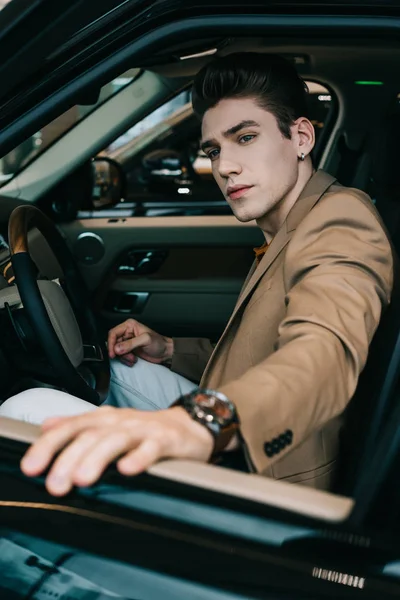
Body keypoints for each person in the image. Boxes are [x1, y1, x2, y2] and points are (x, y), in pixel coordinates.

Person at [0, 52, 393, 497]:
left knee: (23, 407)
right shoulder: (293, 220)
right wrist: (168, 349)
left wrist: (202, 421)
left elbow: (324, 352)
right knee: (116, 367)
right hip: (240, 426)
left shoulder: (341, 218)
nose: (223, 168)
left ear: (300, 136)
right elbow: (259, 351)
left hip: (268, 478)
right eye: (214, 150)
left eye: (245, 137)